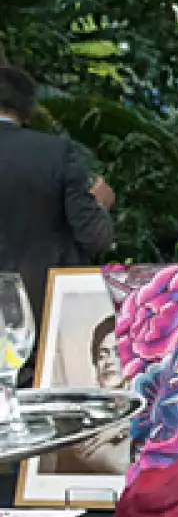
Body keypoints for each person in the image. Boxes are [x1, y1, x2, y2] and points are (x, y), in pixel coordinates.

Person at [0, 67, 115, 361]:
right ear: (27, 112)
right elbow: (94, 238)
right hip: (45, 322)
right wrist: (100, 204)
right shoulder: (55, 153)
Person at [46, 315, 131, 475]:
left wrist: (125, 426)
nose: (109, 362)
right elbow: (124, 464)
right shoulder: (78, 417)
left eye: (117, 353)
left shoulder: (153, 411)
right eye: (102, 355)